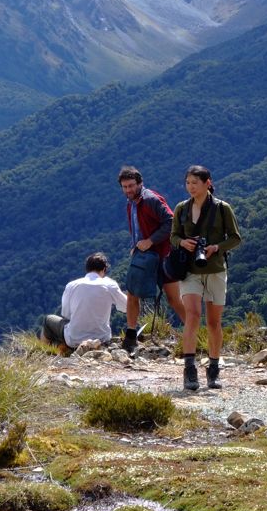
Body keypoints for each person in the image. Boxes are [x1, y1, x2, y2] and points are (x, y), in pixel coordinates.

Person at [170, 165, 242, 391]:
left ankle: (213, 368)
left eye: (195, 183)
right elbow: (173, 236)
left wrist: (216, 247)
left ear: (207, 183)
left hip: (215, 269)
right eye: (188, 183)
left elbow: (236, 238)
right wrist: (183, 242)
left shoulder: (222, 208)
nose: (190, 187)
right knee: (192, 315)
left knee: (213, 322)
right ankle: (189, 370)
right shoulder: (181, 209)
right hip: (189, 270)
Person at [118, 166, 186, 355]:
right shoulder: (131, 203)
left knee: (173, 299)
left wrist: (150, 241)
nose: (128, 190)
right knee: (132, 294)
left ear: (140, 183)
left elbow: (171, 222)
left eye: (131, 185)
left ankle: (193, 334)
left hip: (163, 256)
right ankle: (130, 337)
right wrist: (136, 245)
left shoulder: (150, 200)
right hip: (143, 257)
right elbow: (138, 227)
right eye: (125, 187)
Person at [41, 252, 127, 349]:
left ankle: (47, 352)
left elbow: (66, 314)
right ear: (104, 269)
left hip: (74, 339)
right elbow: (126, 307)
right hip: (102, 339)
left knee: (48, 320)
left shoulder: (72, 285)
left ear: (87, 269)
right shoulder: (110, 285)